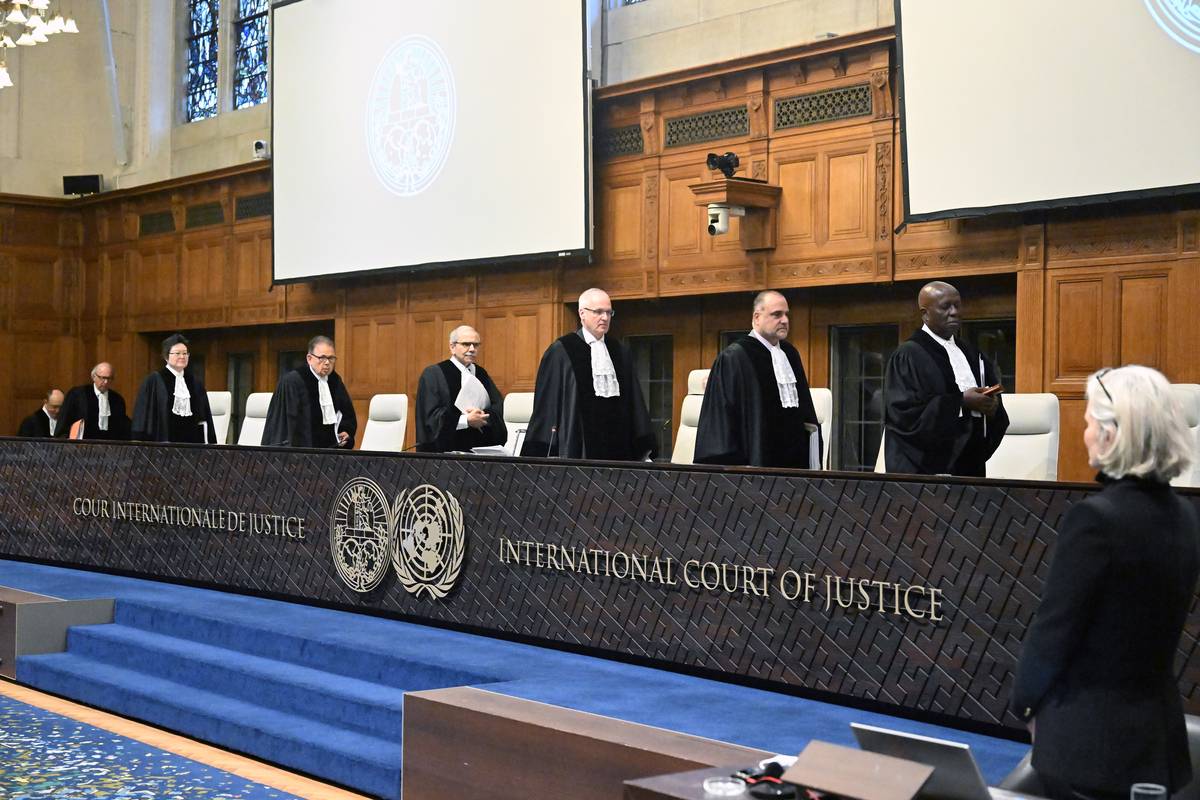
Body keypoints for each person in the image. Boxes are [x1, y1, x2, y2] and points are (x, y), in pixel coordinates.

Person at [1011, 365, 1198, 799]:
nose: (1086, 432)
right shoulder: (1185, 516)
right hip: (1157, 740)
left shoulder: (1094, 520)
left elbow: (1054, 631)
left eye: (1091, 421)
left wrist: (1025, 704)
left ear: (1114, 433)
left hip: (1089, 743)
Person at [882, 281, 1009, 476]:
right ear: (925, 314)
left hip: (969, 465)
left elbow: (994, 411)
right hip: (925, 470)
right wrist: (961, 402)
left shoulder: (973, 354)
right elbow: (903, 415)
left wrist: (992, 408)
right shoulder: (908, 355)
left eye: (957, 305)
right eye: (945, 306)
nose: (954, 312)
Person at [521, 288, 657, 460]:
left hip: (619, 445)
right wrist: (543, 448)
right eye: (599, 312)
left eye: (609, 312)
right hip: (579, 445)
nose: (605, 318)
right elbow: (548, 403)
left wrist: (643, 443)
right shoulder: (562, 351)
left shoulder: (619, 352)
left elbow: (634, 401)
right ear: (582, 313)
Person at [694, 290, 821, 468]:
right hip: (753, 466)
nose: (784, 320)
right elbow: (722, 422)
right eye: (776, 314)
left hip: (794, 465)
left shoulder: (790, 353)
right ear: (757, 317)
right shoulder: (735, 357)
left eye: (786, 315)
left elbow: (804, 411)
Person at [415, 325, 508, 453]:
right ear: (452, 347)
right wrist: (466, 420)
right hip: (447, 453)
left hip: (479, 449)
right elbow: (430, 416)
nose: (472, 349)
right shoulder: (434, 374)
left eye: (476, 345)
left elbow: (497, 407)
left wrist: (483, 416)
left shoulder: (481, 373)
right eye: (466, 344)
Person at [262, 335, 357, 448]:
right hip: (302, 452)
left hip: (331, 450)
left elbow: (347, 413)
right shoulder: (293, 381)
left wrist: (346, 430)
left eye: (331, 358)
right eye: (322, 358)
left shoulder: (335, 381)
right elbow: (282, 425)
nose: (327, 363)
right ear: (309, 358)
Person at [131, 333, 216, 444]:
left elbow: (204, 417)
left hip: (191, 446)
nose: (182, 357)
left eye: (185, 353)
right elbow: (142, 417)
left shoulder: (195, 383)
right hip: (163, 445)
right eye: (177, 353)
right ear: (166, 356)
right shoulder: (154, 381)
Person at [57, 363, 130, 440]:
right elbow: (65, 421)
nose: (106, 382)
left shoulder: (117, 400)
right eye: (102, 378)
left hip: (109, 446)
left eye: (109, 378)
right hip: (82, 446)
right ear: (94, 376)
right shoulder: (78, 395)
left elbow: (121, 427)